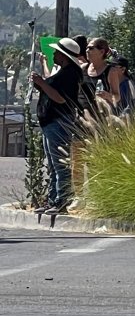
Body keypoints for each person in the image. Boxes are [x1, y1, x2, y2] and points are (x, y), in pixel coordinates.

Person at [31, 38, 84, 215]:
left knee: (59, 164)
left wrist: (42, 83)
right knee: (54, 164)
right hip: (51, 122)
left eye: (56, 52)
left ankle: (61, 201)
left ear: (64, 56)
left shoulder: (69, 74)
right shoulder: (65, 72)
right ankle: (53, 199)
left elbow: (61, 98)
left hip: (58, 121)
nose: (53, 54)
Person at [85, 37, 122, 112]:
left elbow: (117, 96)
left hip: (99, 116)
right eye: (87, 48)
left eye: (91, 48)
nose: (87, 51)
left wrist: (107, 95)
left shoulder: (111, 71)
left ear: (102, 52)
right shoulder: (84, 68)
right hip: (80, 115)